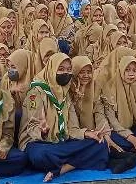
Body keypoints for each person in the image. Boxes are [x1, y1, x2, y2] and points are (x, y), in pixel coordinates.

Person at [19, 53, 109, 182]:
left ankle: (62, 169)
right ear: (51, 69)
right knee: (40, 155)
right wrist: (43, 131)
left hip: (61, 142)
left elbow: (72, 128)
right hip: (40, 143)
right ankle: (72, 161)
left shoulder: (65, 93)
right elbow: (31, 128)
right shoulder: (37, 92)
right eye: (61, 69)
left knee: (99, 144)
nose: (65, 73)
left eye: (68, 69)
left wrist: (88, 133)